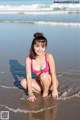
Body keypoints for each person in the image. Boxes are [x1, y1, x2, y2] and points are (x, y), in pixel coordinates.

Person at [20, 32, 58, 102]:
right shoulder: (29, 59)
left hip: (51, 83)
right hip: (40, 83)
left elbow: (53, 73)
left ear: (45, 47)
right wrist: (30, 93)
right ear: (33, 46)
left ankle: (45, 94)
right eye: (37, 46)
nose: (40, 49)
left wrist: (55, 89)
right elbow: (28, 76)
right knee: (23, 82)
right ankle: (41, 91)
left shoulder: (49, 56)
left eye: (42, 47)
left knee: (43, 76)